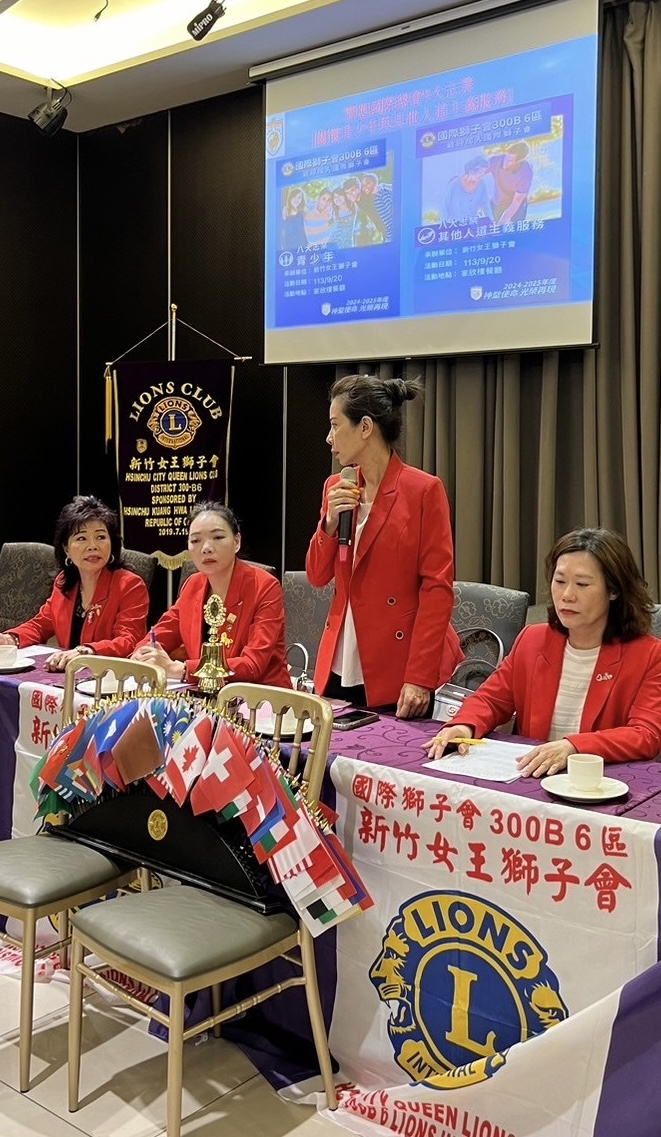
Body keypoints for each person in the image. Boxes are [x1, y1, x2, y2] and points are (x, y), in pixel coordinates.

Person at [423, 528, 661, 774]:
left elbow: (646, 734)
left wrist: (574, 747)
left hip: (600, 780)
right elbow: (491, 700)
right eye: (560, 581)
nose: (567, 595)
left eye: (582, 584)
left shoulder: (649, 655)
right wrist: (464, 726)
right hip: (531, 776)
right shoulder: (533, 640)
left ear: (614, 591)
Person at [306, 373, 462, 719]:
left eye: (335, 425)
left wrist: (419, 677)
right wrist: (329, 523)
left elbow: (437, 588)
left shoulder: (423, 490)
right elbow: (316, 576)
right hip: (340, 654)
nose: (329, 437)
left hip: (396, 662)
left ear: (365, 427)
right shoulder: (336, 486)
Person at [131, 501, 291, 688]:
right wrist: (142, 654)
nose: (206, 548)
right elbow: (160, 633)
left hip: (261, 696)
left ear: (236, 542)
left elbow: (252, 665)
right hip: (204, 694)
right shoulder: (192, 585)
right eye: (196, 541)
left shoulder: (265, 586)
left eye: (218, 537)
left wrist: (181, 670)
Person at [0, 495, 149, 671]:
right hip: (69, 674)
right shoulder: (64, 582)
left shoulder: (130, 585)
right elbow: (40, 625)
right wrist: (10, 639)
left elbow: (128, 641)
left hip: (110, 677)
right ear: (66, 549)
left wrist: (85, 652)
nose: (93, 546)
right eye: (81, 538)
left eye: (101, 537)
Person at [489, 141, 533, 223]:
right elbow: (477, 172)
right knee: (497, 229)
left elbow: (516, 202)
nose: (505, 162)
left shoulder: (526, 173)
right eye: (506, 158)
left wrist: (502, 221)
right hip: (498, 202)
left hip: (518, 204)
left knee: (517, 227)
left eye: (510, 161)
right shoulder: (495, 160)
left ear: (519, 162)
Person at [442, 155, 491, 224]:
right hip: (455, 226)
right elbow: (444, 207)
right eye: (480, 172)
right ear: (471, 172)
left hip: (472, 226)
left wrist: (491, 220)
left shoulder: (481, 184)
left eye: (484, 172)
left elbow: (486, 205)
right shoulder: (454, 185)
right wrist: (445, 225)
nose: (482, 175)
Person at [361, 172, 394, 242]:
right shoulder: (375, 198)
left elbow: (393, 211)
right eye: (363, 185)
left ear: (375, 182)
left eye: (368, 183)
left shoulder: (382, 192)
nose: (365, 187)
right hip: (389, 236)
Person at [280, 186, 307, 251]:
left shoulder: (302, 214)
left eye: (299, 197)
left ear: (302, 200)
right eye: (294, 196)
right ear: (290, 198)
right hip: (289, 249)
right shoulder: (284, 213)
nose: (296, 199)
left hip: (303, 249)